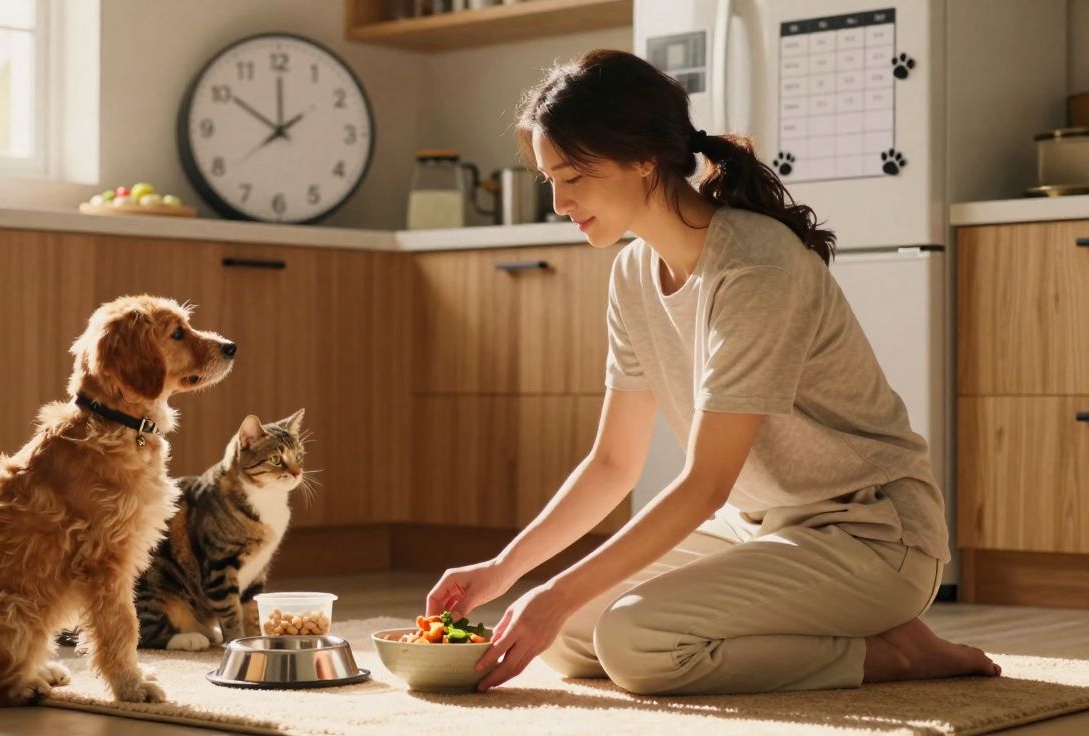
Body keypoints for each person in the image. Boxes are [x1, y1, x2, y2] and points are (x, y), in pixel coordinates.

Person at [425, 49, 1000, 695]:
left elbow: (705, 485)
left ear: (644, 158)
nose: (559, 201)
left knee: (636, 644)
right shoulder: (632, 273)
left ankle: (892, 656)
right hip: (759, 528)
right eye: (548, 180)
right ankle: (840, 632)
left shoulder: (755, 267)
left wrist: (556, 591)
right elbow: (614, 462)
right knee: (560, 633)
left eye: (574, 176)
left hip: (869, 536)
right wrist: (506, 571)